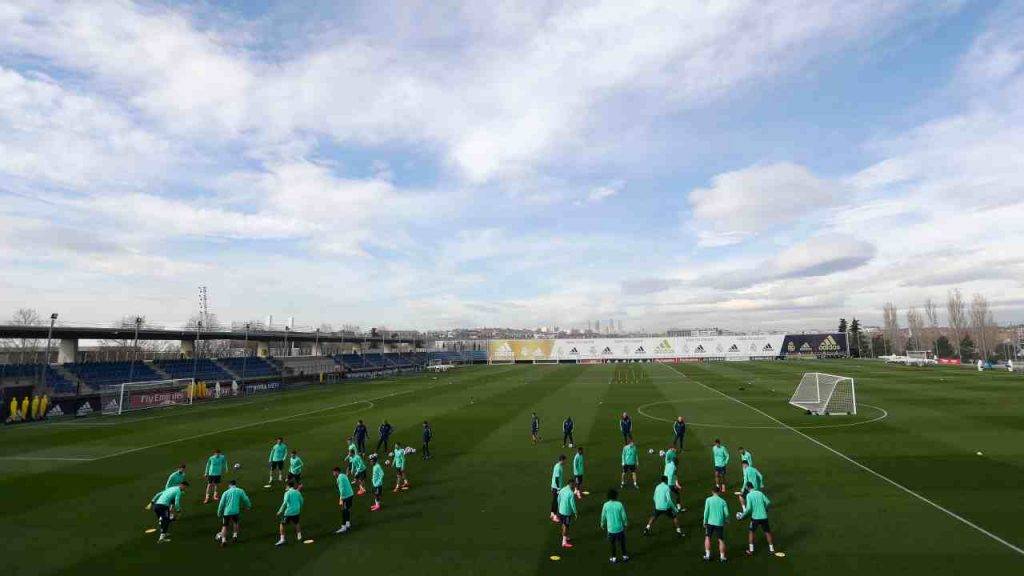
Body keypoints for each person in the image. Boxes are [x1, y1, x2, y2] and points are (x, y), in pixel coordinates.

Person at [737, 483, 776, 555]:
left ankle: (751, 550)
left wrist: (742, 516)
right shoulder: (760, 493)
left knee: (751, 532)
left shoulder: (749, 495)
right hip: (764, 517)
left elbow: (748, 509)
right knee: (767, 532)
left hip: (755, 518)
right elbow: (768, 502)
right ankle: (772, 549)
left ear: (748, 488)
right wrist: (765, 508)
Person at [215, 480, 252, 546]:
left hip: (227, 512)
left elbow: (221, 503)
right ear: (235, 485)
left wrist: (219, 512)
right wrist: (248, 506)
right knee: (236, 522)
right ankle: (235, 536)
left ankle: (223, 540)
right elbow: (245, 499)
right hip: (236, 511)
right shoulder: (240, 490)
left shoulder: (226, 492)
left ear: (229, 485)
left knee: (225, 526)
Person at [600, 488, 629, 563]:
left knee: (612, 544)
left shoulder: (605, 505)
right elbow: (624, 516)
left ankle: (613, 558)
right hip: (620, 528)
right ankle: (625, 556)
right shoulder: (619, 504)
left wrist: (602, 524)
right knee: (622, 543)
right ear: (616, 496)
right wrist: (625, 523)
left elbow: (603, 516)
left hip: (611, 529)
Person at [702, 485, 729, 562]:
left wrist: (705, 521)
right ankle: (722, 557)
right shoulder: (723, 501)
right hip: (719, 523)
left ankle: (707, 555)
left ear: (712, 492)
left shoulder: (708, 500)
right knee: (721, 540)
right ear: (719, 492)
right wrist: (726, 520)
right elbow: (726, 514)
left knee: (708, 538)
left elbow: (706, 512)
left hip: (710, 522)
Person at [275, 481, 304, 546]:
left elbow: (284, 503)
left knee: (282, 524)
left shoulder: (287, 493)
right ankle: (299, 536)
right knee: (297, 523)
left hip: (289, 512)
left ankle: (282, 539)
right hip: (296, 511)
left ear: (288, 486)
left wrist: (280, 511)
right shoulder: (297, 492)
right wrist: (299, 507)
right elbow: (302, 501)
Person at [332, 467, 355, 533]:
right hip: (350, 494)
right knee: (347, 509)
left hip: (346, 496)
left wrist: (341, 499)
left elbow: (342, 489)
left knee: (344, 511)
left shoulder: (340, 478)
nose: (333, 474)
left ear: (336, 472)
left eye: (333, 472)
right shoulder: (343, 475)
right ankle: (348, 523)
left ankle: (343, 527)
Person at [556, 482, 578, 549]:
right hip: (566, 512)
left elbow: (558, 499)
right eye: (574, 485)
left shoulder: (562, 490)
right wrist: (575, 512)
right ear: (571, 484)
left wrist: (559, 507)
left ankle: (566, 537)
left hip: (561, 511)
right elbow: (573, 504)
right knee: (566, 525)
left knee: (563, 524)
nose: (574, 487)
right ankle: (564, 542)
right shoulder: (571, 493)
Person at [549, 454, 567, 522]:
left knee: (555, 501)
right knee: (555, 501)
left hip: (555, 487)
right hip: (556, 488)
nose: (565, 462)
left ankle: (553, 514)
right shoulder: (558, 467)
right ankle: (554, 515)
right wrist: (558, 488)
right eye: (565, 460)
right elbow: (556, 479)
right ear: (562, 460)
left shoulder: (558, 466)